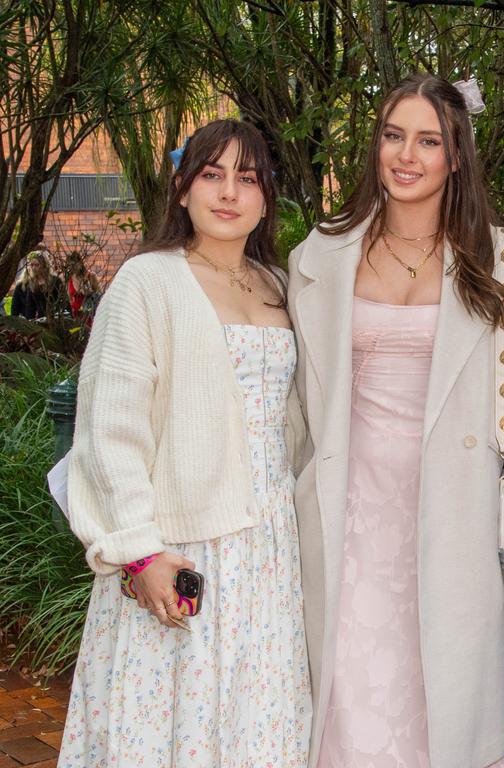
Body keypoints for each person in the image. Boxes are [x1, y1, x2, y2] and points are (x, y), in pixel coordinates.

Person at [289, 72, 504, 767]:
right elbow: (288, 404)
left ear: (455, 156)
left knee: (440, 692)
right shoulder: (319, 255)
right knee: (349, 684)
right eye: (394, 135)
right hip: (347, 505)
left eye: (428, 140)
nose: (407, 155)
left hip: (451, 507)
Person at [59, 119, 311, 767]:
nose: (228, 193)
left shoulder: (280, 285)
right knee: (172, 724)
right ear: (182, 188)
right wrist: (140, 554)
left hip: (268, 548)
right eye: (211, 174)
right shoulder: (149, 282)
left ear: (265, 196)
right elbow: (110, 432)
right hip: (183, 541)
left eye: (246, 178)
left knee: (256, 722)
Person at [11, 250, 62, 319]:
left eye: (37, 265)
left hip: (52, 320)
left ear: (44, 265)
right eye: (31, 265)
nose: (34, 268)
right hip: (32, 322)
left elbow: (62, 301)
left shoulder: (55, 281)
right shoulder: (25, 285)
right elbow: (16, 310)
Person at [65, 250, 101, 319]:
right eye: (70, 265)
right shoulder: (69, 278)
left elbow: (99, 295)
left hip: (89, 314)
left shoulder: (91, 276)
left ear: (80, 263)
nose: (72, 268)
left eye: (74, 264)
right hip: (75, 314)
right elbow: (69, 299)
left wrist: (89, 292)